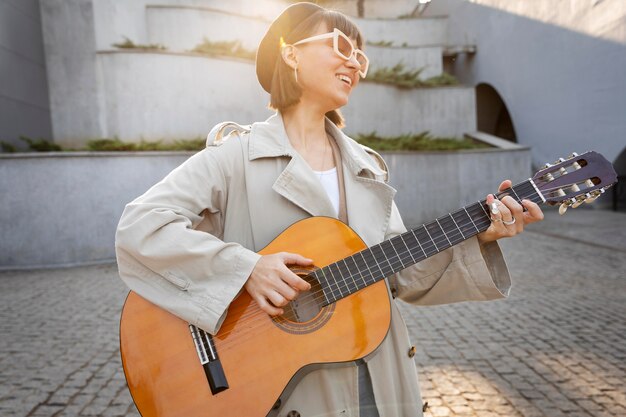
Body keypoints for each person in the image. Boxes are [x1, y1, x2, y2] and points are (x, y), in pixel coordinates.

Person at [115, 2, 544, 416]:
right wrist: (245, 268)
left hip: (379, 378)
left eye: (361, 56)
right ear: (291, 53)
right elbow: (140, 226)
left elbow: (397, 272)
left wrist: (480, 233)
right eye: (342, 46)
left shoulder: (368, 167)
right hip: (284, 392)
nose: (355, 63)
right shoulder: (235, 156)